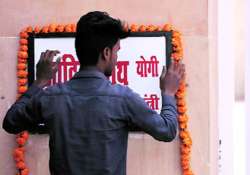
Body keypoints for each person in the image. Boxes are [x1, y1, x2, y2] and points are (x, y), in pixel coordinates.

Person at [3, 11, 185, 175]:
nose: (116, 57)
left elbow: (11, 122)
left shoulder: (50, 97)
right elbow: (167, 130)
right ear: (106, 53)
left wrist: (39, 82)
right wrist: (168, 92)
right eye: (116, 51)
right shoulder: (123, 98)